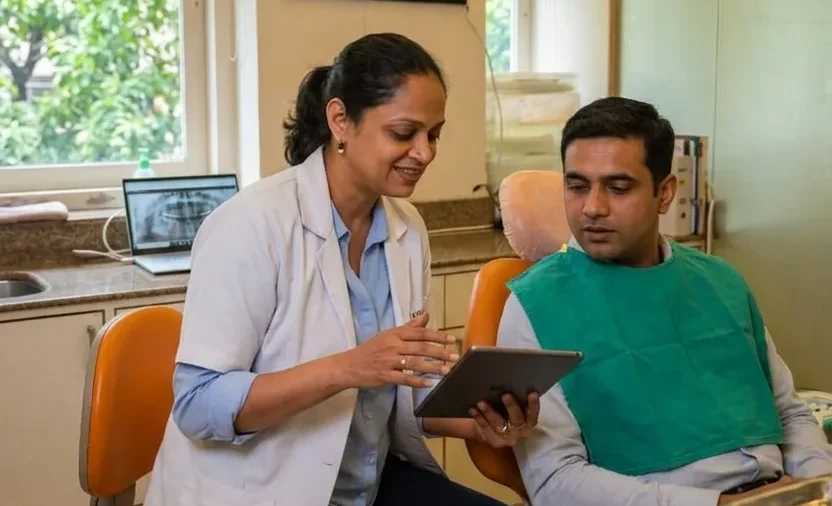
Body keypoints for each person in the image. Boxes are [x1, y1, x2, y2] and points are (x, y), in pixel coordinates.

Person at [143, 33, 540, 506]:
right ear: (340, 121)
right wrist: (348, 368)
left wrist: (479, 422)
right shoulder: (251, 224)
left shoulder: (406, 229)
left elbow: (405, 393)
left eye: (433, 134)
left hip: (365, 484)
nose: (425, 152)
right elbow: (198, 405)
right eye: (403, 133)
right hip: (258, 489)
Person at [496, 96, 832, 506]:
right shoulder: (536, 306)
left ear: (666, 192)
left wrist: (816, 487)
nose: (592, 208)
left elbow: (790, 414)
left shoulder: (720, 281)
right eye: (577, 185)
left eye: (618, 188)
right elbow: (555, 482)